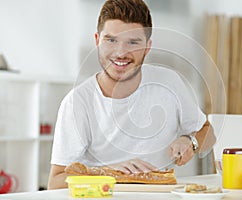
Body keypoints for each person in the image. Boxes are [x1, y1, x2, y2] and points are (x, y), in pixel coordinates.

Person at [47, 0, 216, 190]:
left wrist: (190, 141)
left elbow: (209, 134)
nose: (121, 53)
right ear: (97, 40)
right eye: (111, 40)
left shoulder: (169, 82)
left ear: (147, 46)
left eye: (133, 43)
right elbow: (55, 182)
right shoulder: (77, 102)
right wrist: (110, 172)